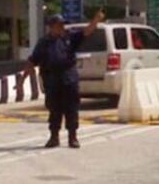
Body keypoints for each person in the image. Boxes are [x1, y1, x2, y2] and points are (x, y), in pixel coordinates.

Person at [21, 11, 105, 149]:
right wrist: (21, 81)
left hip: (69, 78)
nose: (62, 28)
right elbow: (32, 61)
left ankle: (73, 137)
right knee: (54, 109)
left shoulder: (69, 37)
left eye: (62, 25)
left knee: (71, 108)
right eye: (58, 25)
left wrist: (96, 20)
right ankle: (54, 137)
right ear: (51, 27)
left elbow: (87, 32)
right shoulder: (44, 43)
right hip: (52, 80)